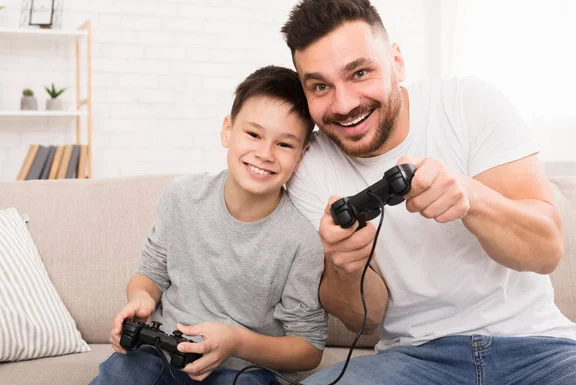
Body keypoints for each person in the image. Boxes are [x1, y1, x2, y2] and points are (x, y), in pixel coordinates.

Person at [280, 1, 576, 384]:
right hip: (413, 360)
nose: (344, 104)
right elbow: (364, 320)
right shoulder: (309, 165)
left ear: (397, 62)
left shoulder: (469, 104)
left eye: (360, 72)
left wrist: (471, 198)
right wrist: (343, 266)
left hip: (538, 348)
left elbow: (546, 250)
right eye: (320, 86)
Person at [89, 65, 328, 385]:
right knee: (121, 373)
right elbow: (150, 275)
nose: (265, 153)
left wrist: (237, 342)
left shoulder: (303, 240)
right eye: (253, 134)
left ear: (301, 155)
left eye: (284, 144)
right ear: (227, 130)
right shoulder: (182, 196)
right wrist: (141, 298)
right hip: (160, 356)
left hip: (243, 369)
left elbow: (309, 348)